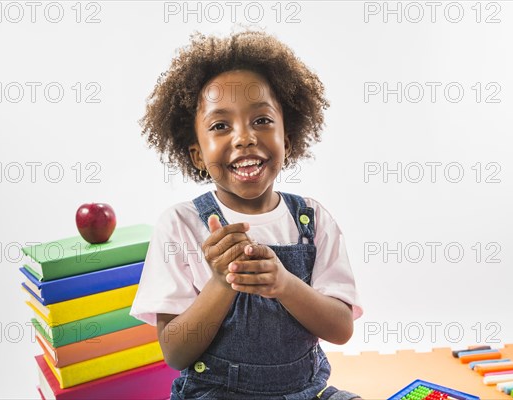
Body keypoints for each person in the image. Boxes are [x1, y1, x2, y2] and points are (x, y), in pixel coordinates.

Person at [130, 29, 363, 400]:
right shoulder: (180, 225)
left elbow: (340, 328)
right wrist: (222, 282)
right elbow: (175, 352)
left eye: (262, 120)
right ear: (196, 154)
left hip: (304, 391)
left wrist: (285, 285)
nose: (244, 138)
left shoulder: (313, 220)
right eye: (221, 126)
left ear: (287, 140)